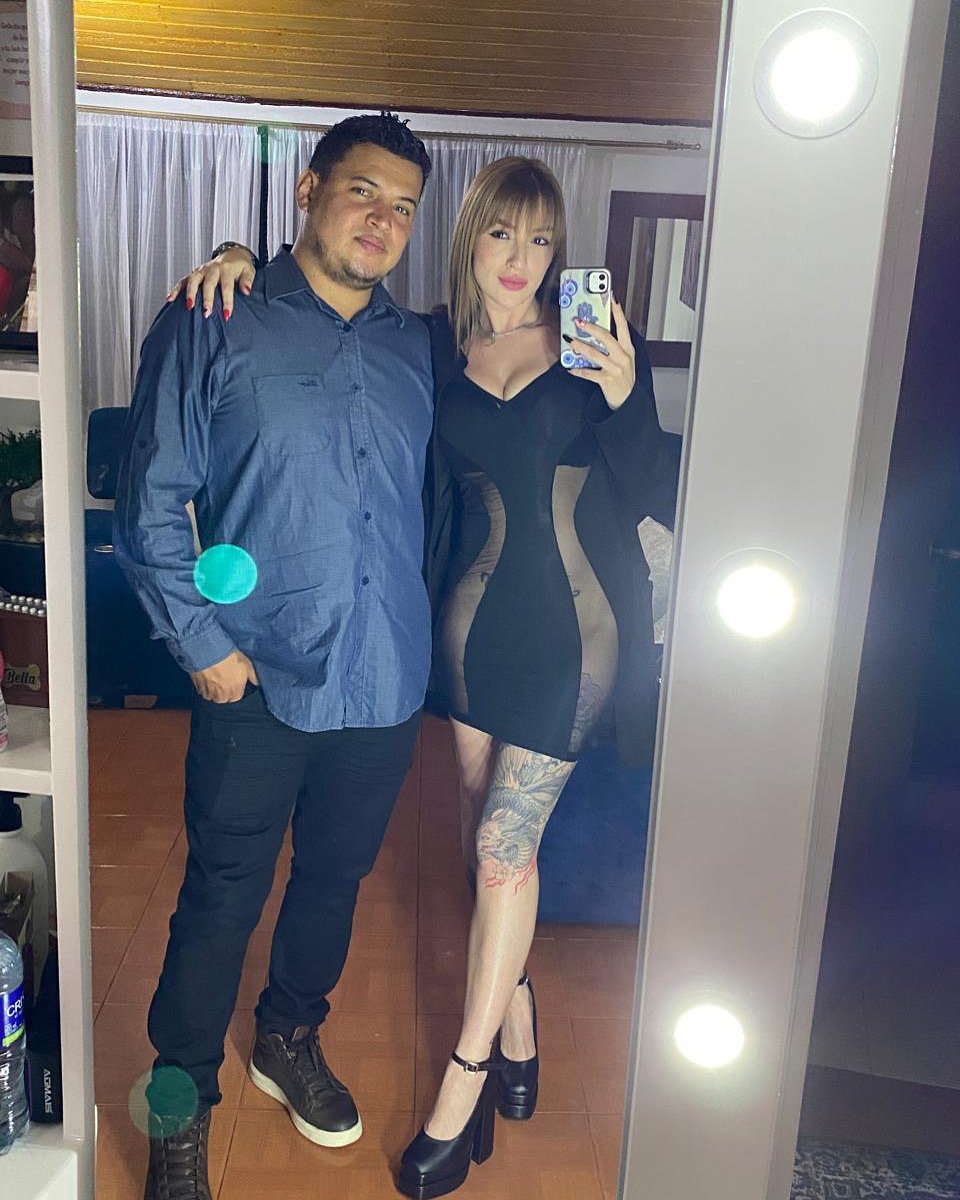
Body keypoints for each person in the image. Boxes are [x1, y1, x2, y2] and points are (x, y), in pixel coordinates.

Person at [179, 154, 679, 1199]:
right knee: (477, 839)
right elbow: (336, 333)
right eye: (503, 233)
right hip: (466, 631)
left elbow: (653, 487)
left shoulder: (590, 348)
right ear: (469, 236)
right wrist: (237, 257)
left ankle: (466, 1083)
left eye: (542, 239)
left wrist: (630, 398)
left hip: (574, 630)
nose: (522, 258)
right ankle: (520, 1021)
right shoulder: (429, 345)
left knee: (502, 852)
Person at [113, 112, 434, 1200]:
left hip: (384, 677)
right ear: (308, 190)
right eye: (362, 191)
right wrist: (202, 646)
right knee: (221, 899)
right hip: (254, 677)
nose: (381, 219)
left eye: (403, 207)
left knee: (333, 884)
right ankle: (179, 1106)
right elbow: (149, 500)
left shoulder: (417, 345)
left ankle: (290, 1036)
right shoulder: (215, 317)